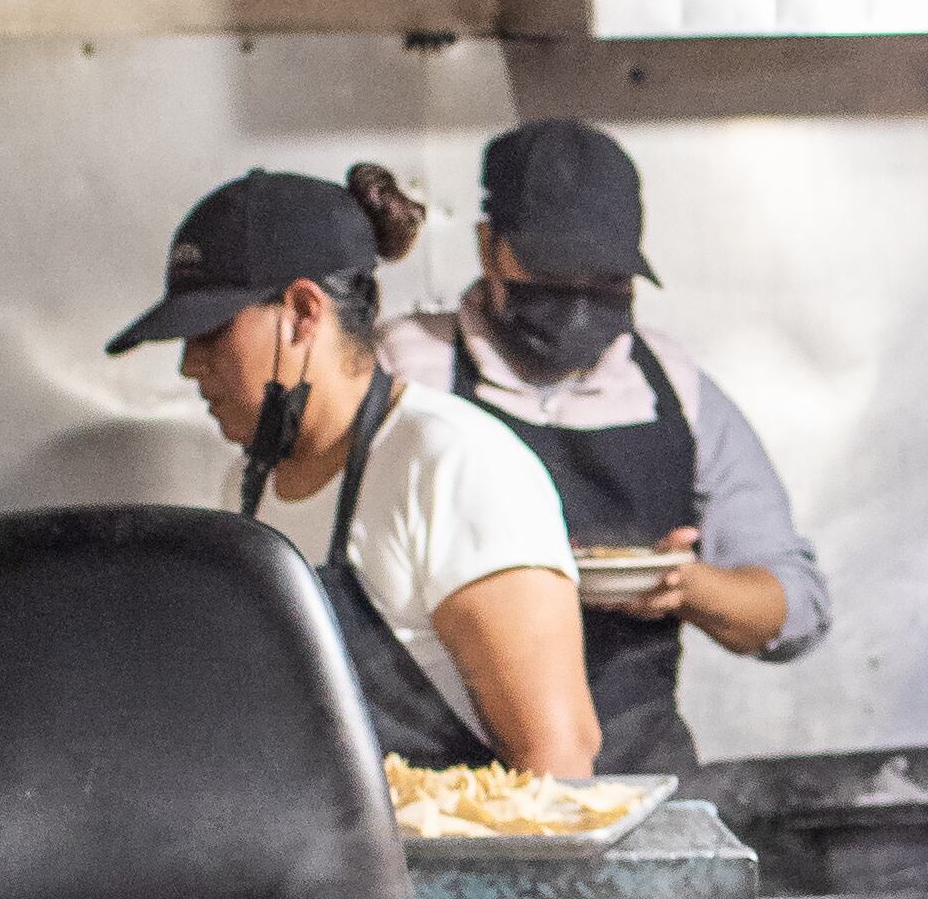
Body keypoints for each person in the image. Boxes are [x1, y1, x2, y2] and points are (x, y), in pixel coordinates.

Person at [110, 166, 601, 783]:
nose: (189, 365)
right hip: (319, 867)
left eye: (210, 332)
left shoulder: (451, 464)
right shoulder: (247, 483)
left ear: (302, 311)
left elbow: (559, 756)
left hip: (457, 872)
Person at [400, 118, 828, 782]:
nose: (576, 306)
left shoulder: (673, 387)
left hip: (635, 780)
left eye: (603, 281)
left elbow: (794, 608)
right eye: (549, 273)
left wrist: (687, 586)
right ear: (490, 248)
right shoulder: (407, 371)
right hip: (444, 789)